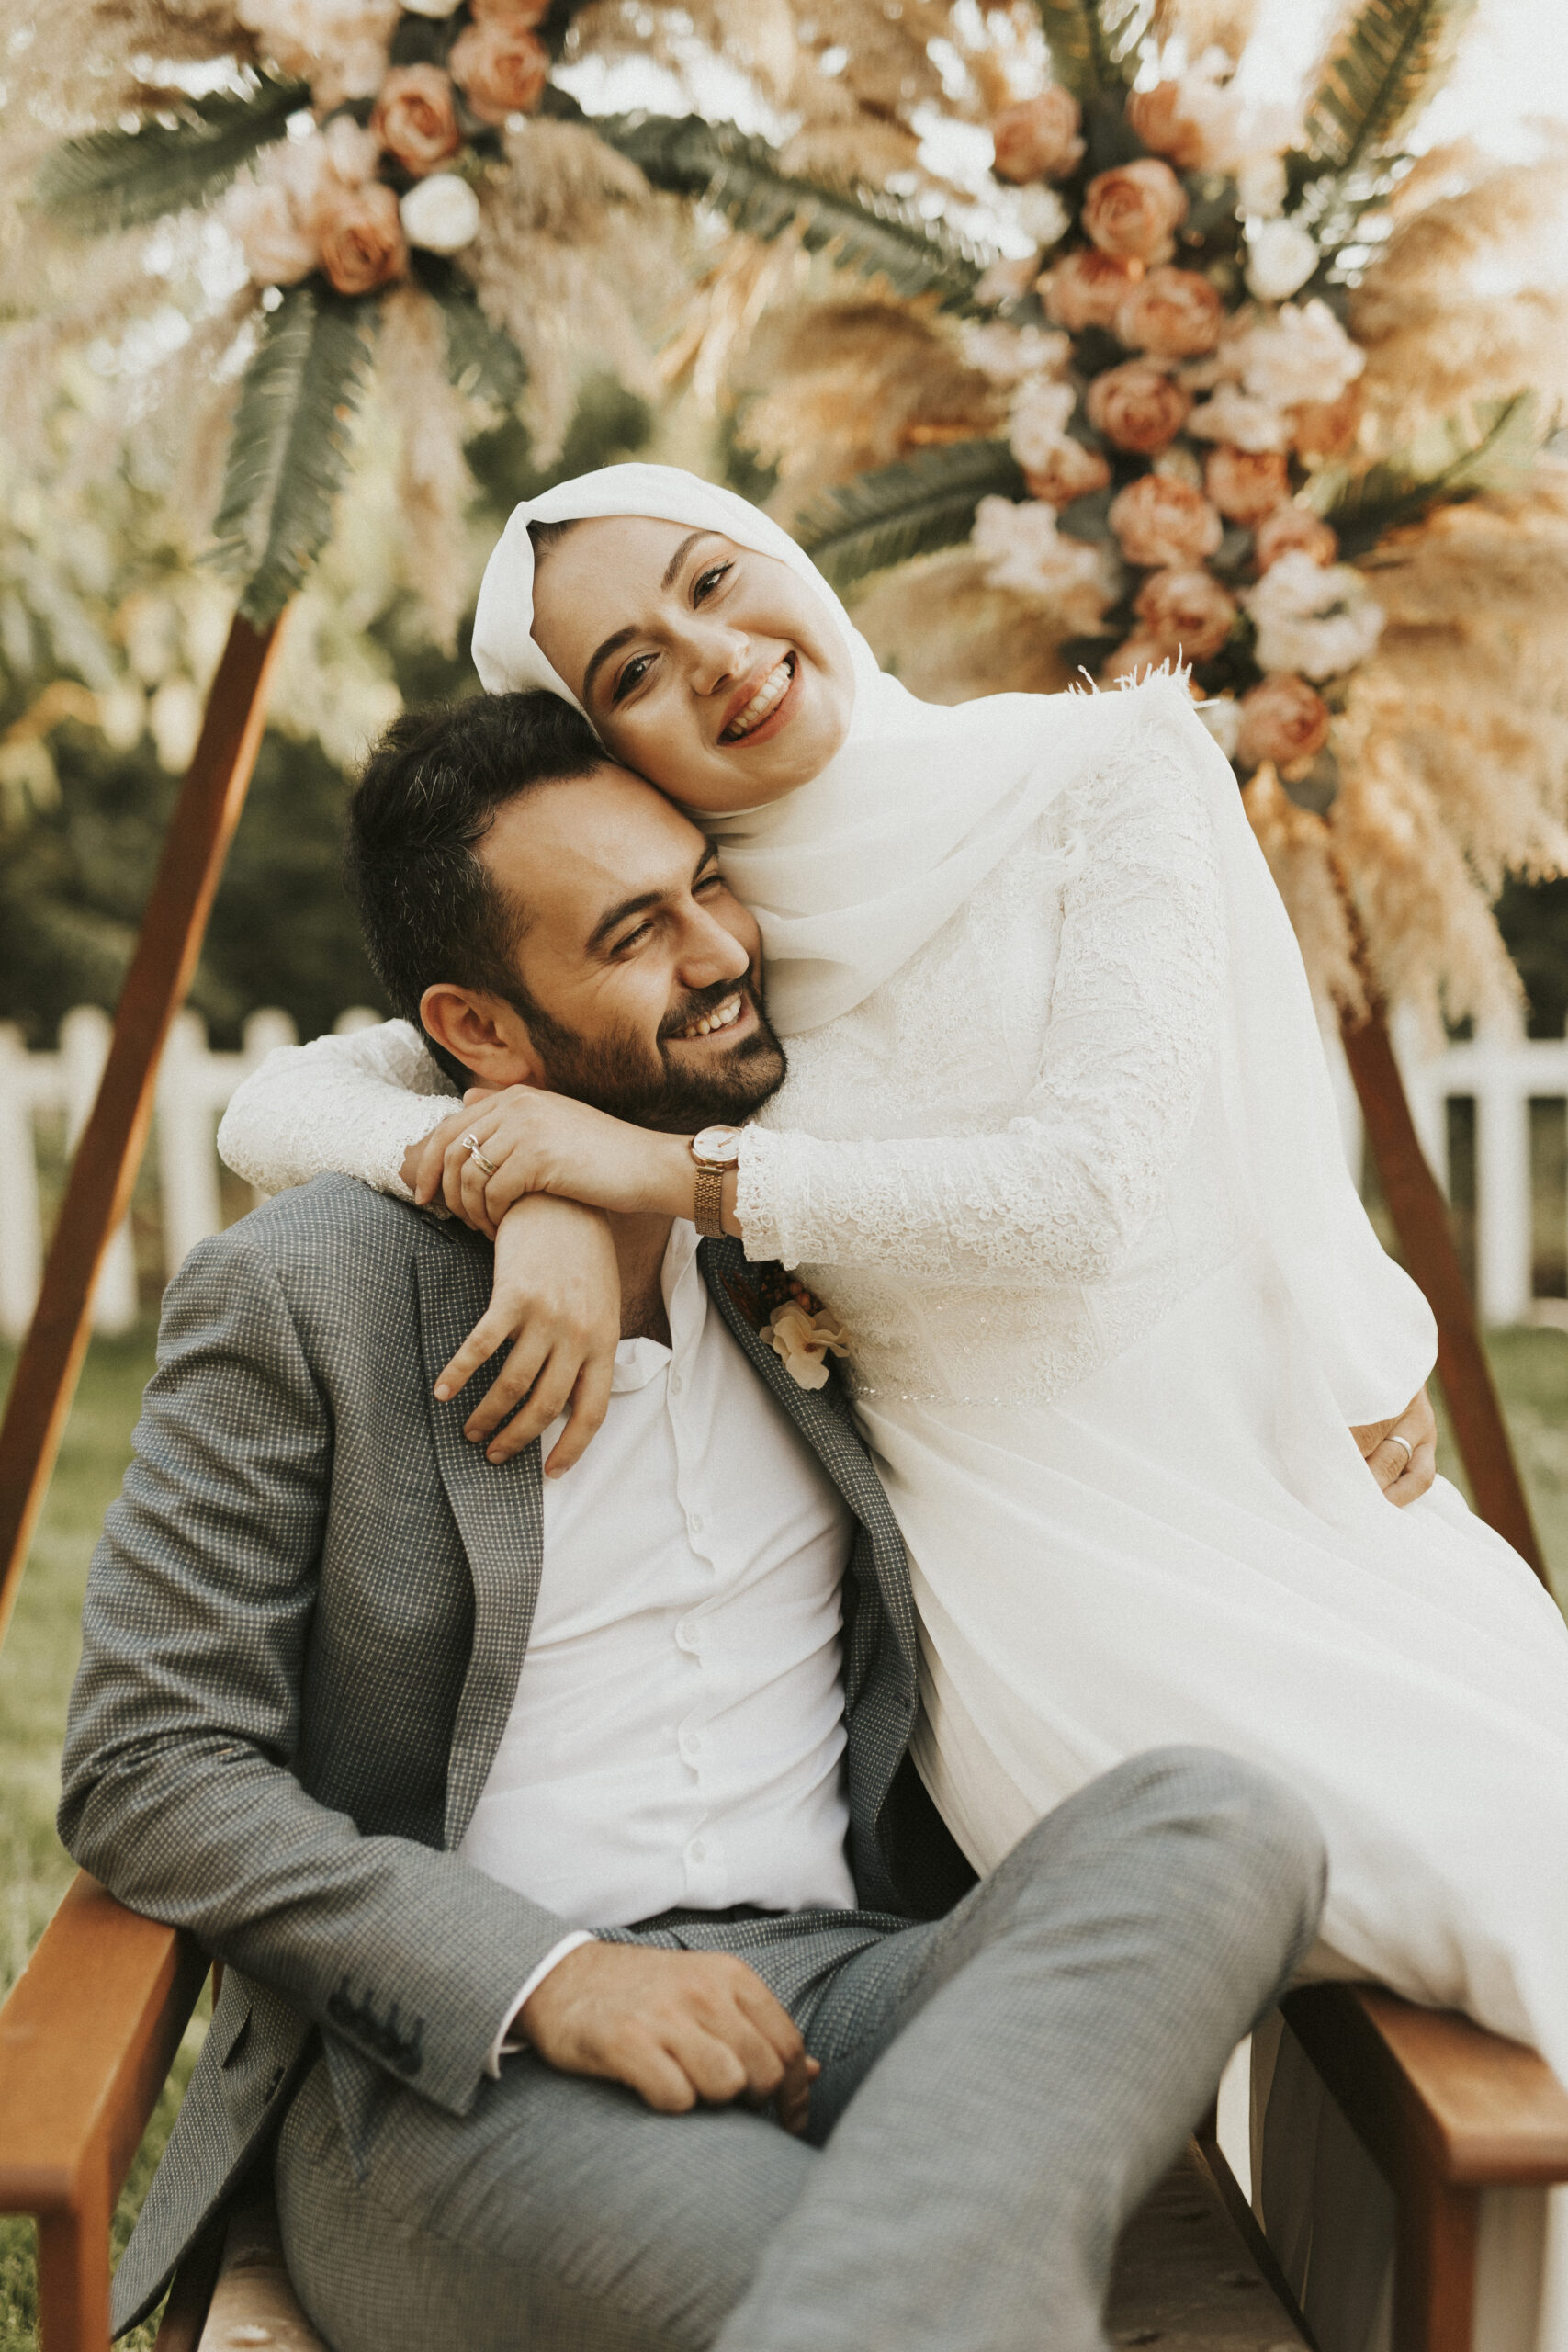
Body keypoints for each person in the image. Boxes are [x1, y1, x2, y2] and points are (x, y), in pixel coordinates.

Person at [219, 467, 1568, 2350]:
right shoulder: (698, 925)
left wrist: (650, 1176)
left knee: (1518, 1864)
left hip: (1270, 1521)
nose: (713, 655)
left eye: (715, 579)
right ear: (604, 742)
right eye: (631, 669)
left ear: (782, 554)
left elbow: (1095, 1186)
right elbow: (274, 1103)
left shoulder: (1097, 775)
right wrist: (530, 1184)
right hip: (1027, 1602)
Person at [63, 691, 1326, 2352]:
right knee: (835, 2281)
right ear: (480, 1029)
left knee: (1223, 1821)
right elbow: (149, 1765)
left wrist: (1349, 1363)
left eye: (706, 884)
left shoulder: (807, 1219)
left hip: (846, 1990)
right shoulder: (301, 1294)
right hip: (460, 2075)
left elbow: (1120, 1202)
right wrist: (554, 1983)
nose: (719, 951)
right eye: (632, 934)